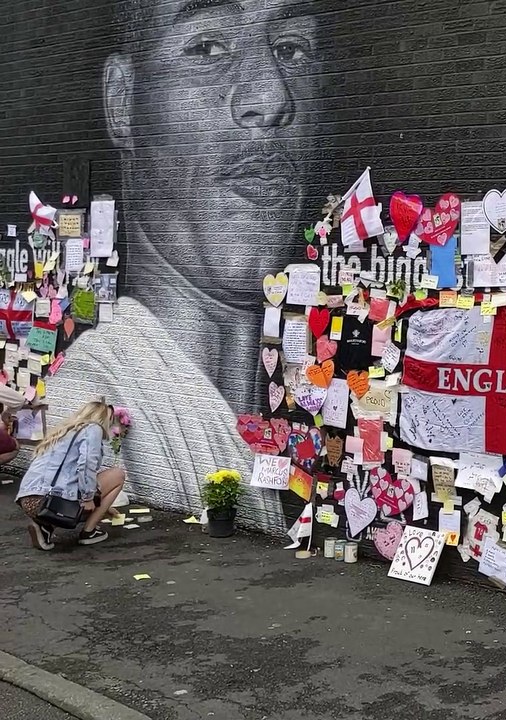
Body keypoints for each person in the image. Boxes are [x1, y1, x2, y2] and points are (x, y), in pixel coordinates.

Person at [42, 0, 328, 532]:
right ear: (122, 102)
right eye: (207, 47)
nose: (272, 96)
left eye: (292, 48)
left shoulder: (298, 402)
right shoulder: (90, 401)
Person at [15, 400, 126, 550]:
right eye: (111, 419)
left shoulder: (64, 431)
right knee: (118, 475)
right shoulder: (94, 429)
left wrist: (103, 505)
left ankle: (45, 527)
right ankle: (89, 532)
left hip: (29, 500)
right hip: (49, 500)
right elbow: (86, 465)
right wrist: (88, 498)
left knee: (83, 489)